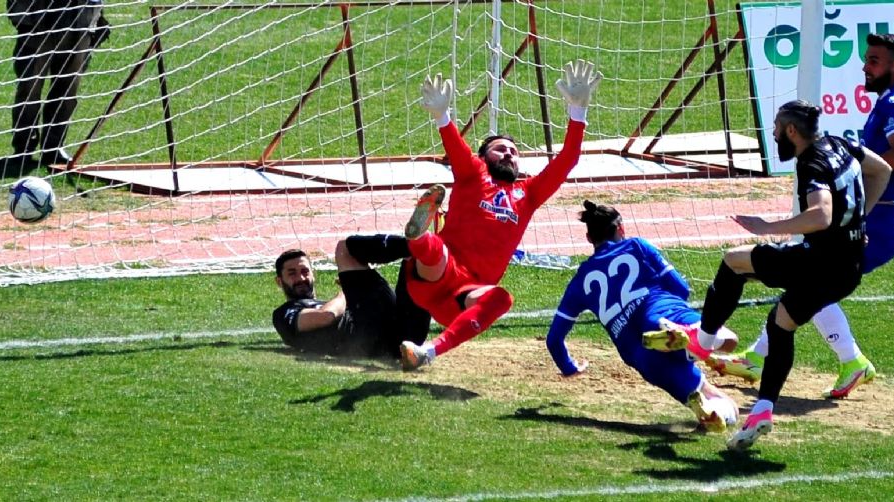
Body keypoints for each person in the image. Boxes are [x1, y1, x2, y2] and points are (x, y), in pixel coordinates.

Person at [647, 100, 892, 450]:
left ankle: (702, 341)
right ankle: (761, 411)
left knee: (733, 261)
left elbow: (820, 216)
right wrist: (857, 221)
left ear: (792, 131)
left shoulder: (812, 162)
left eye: (777, 127)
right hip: (848, 268)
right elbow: (882, 171)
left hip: (818, 262)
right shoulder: (840, 143)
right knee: (781, 324)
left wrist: (768, 227)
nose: (774, 133)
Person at [707, 33, 894, 399]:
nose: (865, 67)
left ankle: (843, 360)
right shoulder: (887, 102)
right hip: (869, 217)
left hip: (881, 219)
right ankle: (769, 357)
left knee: (816, 279)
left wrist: (856, 195)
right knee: (810, 280)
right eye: (867, 59)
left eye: (874, 61)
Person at [397, 59, 602, 371]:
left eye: (513, 151)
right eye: (500, 149)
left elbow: (568, 159)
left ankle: (426, 353)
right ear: (483, 157)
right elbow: (456, 149)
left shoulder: (529, 194)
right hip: (437, 273)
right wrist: (443, 116)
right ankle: (420, 235)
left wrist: (578, 113)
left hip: (464, 297)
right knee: (435, 249)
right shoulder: (473, 173)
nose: (509, 153)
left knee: (501, 299)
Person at [545, 200, 739, 432]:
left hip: (638, 353)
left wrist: (569, 367)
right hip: (661, 313)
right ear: (621, 229)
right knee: (729, 340)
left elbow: (554, 339)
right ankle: (693, 341)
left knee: (713, 399)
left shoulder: (580, 282)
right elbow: (681, 289)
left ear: (589, 239)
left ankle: (707, 407)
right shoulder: (636, 246)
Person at [272, 235, 430, 359]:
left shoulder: (333, 303)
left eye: (305, 271)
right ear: (279, 281)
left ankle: (431, 247)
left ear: (314, 275)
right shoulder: (284, 313)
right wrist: (346, 292)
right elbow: (327, 316)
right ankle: (410, 244)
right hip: (382, 339)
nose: (301, 278)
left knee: (419, 260)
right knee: (344, 250)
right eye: (292, 273)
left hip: (408, 334)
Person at [7, 0, 111, 166]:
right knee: (29, 87)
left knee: (67, 89)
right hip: (37, 20)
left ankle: (54, 147)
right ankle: (23, 147)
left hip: (79, 21)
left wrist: (96, 17)